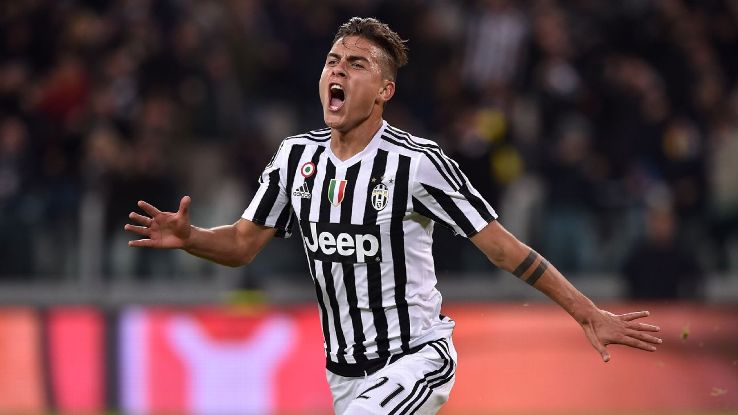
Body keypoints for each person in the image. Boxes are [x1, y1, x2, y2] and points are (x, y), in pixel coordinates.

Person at [125, 17, 662, 415]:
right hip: (343, 376)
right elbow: (242, 244)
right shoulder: (295, 158)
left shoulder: (417, 163)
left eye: (356, 64)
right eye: (333, 60)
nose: (338, 69)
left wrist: (587, 312)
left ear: (385, 91)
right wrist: (192, 237)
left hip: (416, 358)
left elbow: (504, 249)